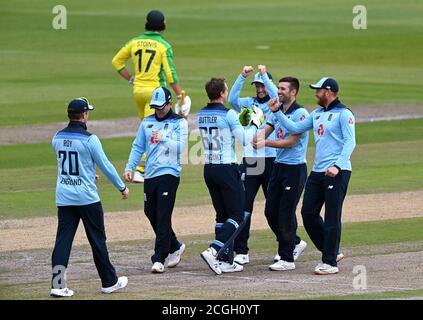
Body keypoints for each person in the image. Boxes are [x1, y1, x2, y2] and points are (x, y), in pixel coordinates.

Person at [268, 77, 356, 275]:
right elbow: (294, 128)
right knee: (308, 213)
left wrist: (338, 166)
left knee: (332, 216)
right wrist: (276, 112)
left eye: (318, 90)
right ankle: (331, 250)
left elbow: (350, 143)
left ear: (328, 91)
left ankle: (330, 262)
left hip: (337, 172)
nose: (315, 94)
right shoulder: (316, 114)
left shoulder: (344, 113)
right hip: (317, 172)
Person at [51, 97, 129, 297]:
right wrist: (121, 187)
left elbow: (67, 165)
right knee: (97, 240)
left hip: (65, 197)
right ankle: (109, 282)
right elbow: (106, 166)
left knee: (62, 242)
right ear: (84, 115)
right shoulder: (90, 139)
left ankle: (58, 285)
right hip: (87, 199)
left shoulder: (57, 137)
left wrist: (86, 172)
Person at [228, 66, 304, 265]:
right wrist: (242, 76)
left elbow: (277, 96)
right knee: (245, 205)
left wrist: (264, 75)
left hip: (272, 159)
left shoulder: (275, 104)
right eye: (257, 85)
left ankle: (290, 244)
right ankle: (241, 250)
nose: (259, 88)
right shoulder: (248, 103)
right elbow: (232, 100)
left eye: (262, 84)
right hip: (252, 160)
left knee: (279, 208)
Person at [112, 9, 190, 183]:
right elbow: (170, 74)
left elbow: (116, 61)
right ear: (163, 26)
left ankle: (145, 165)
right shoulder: (163, 45)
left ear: (146, 24)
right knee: (151, 129)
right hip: (156, 93)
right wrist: (180, 94)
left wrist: (131, 79)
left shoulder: (135, 42)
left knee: (145, 126)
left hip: (138, 91)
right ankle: (140, 169)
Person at [198, 77, 265, 275]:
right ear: (221, 93)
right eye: (226, 90)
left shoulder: (201, 114)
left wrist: (240, 122)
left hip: (209, 168)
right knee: (237, 215)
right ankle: (214, 250)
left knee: (222, 215)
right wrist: (254, 122)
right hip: (226, 168)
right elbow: (245, 139)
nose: (227, 93)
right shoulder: (228, 114)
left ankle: (225, 261)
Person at [123, 87, 188, 274]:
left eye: (161, 107)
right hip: (150, 174)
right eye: (155, 107)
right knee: (150, 211)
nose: (158, 110)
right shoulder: (147, 122)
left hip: (169, 173)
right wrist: (130, 167)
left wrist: (163, 138)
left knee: (163, 215)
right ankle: (175, 245)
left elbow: (180, 148)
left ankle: (159, 257)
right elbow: (138, 146)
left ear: (169, 104)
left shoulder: (179, 123)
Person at [252, 77, 309, 271]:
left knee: (285, 212)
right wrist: (256, 137)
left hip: (295, 169)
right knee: (270, 212)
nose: (279, 91)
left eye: (283, 89)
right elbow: (266, 130)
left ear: (293, 92)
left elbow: (291, 141)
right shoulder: (278, 110)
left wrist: (265, 143)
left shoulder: (300, 113)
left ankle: (287, 258)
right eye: (278, 88)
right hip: (279, 167)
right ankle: (293, 242)